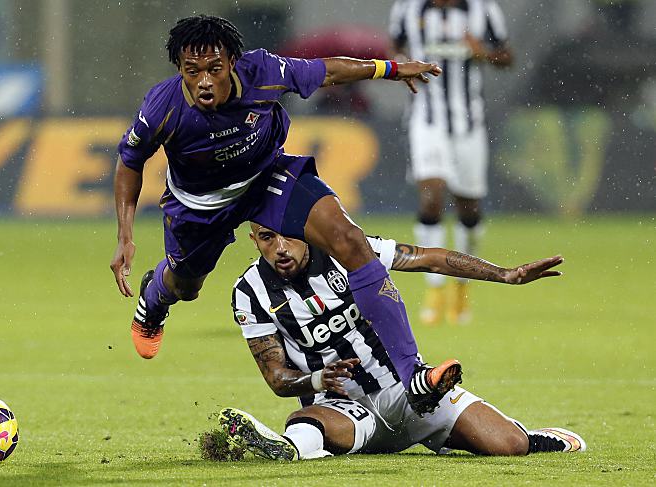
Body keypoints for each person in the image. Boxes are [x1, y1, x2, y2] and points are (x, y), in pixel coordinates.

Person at [111, 15, 460, 411]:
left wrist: (390, 69)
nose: (204, 81)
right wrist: (125, 236)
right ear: (180, 70)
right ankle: (153, 300)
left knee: (350, 241)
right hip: (201, 206)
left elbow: (328, 71)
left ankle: (413, 375)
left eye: (214, 69)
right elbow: (130, 162)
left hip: (266, 179)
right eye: (192, 71)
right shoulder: (161, 107)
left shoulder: (262, 71)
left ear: (233, 63)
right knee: (186, 288)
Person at [220, 223, 583, 460]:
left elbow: (429, 259)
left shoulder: (346, 250)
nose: (281, 248)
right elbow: (276, 378)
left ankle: (525, 436)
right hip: (341, 409)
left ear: (303, 228)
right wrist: (317, 379)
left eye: (287, 235)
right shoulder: (249, 292)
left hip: (409, 393)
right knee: (305, 421)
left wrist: (504, 274)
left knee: (511, 446)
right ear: (254, 240)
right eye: (267, 238)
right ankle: (290, 447)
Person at [388, 0, 513, 325]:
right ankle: (434, 289)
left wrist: (484, 53)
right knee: (431, 198)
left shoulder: (483, 9)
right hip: (426, 121)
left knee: (468, 208)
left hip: (469, 123)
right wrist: (401, 64)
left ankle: (462, 286)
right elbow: (395, 47)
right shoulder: (408, 9)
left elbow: (507, 57)